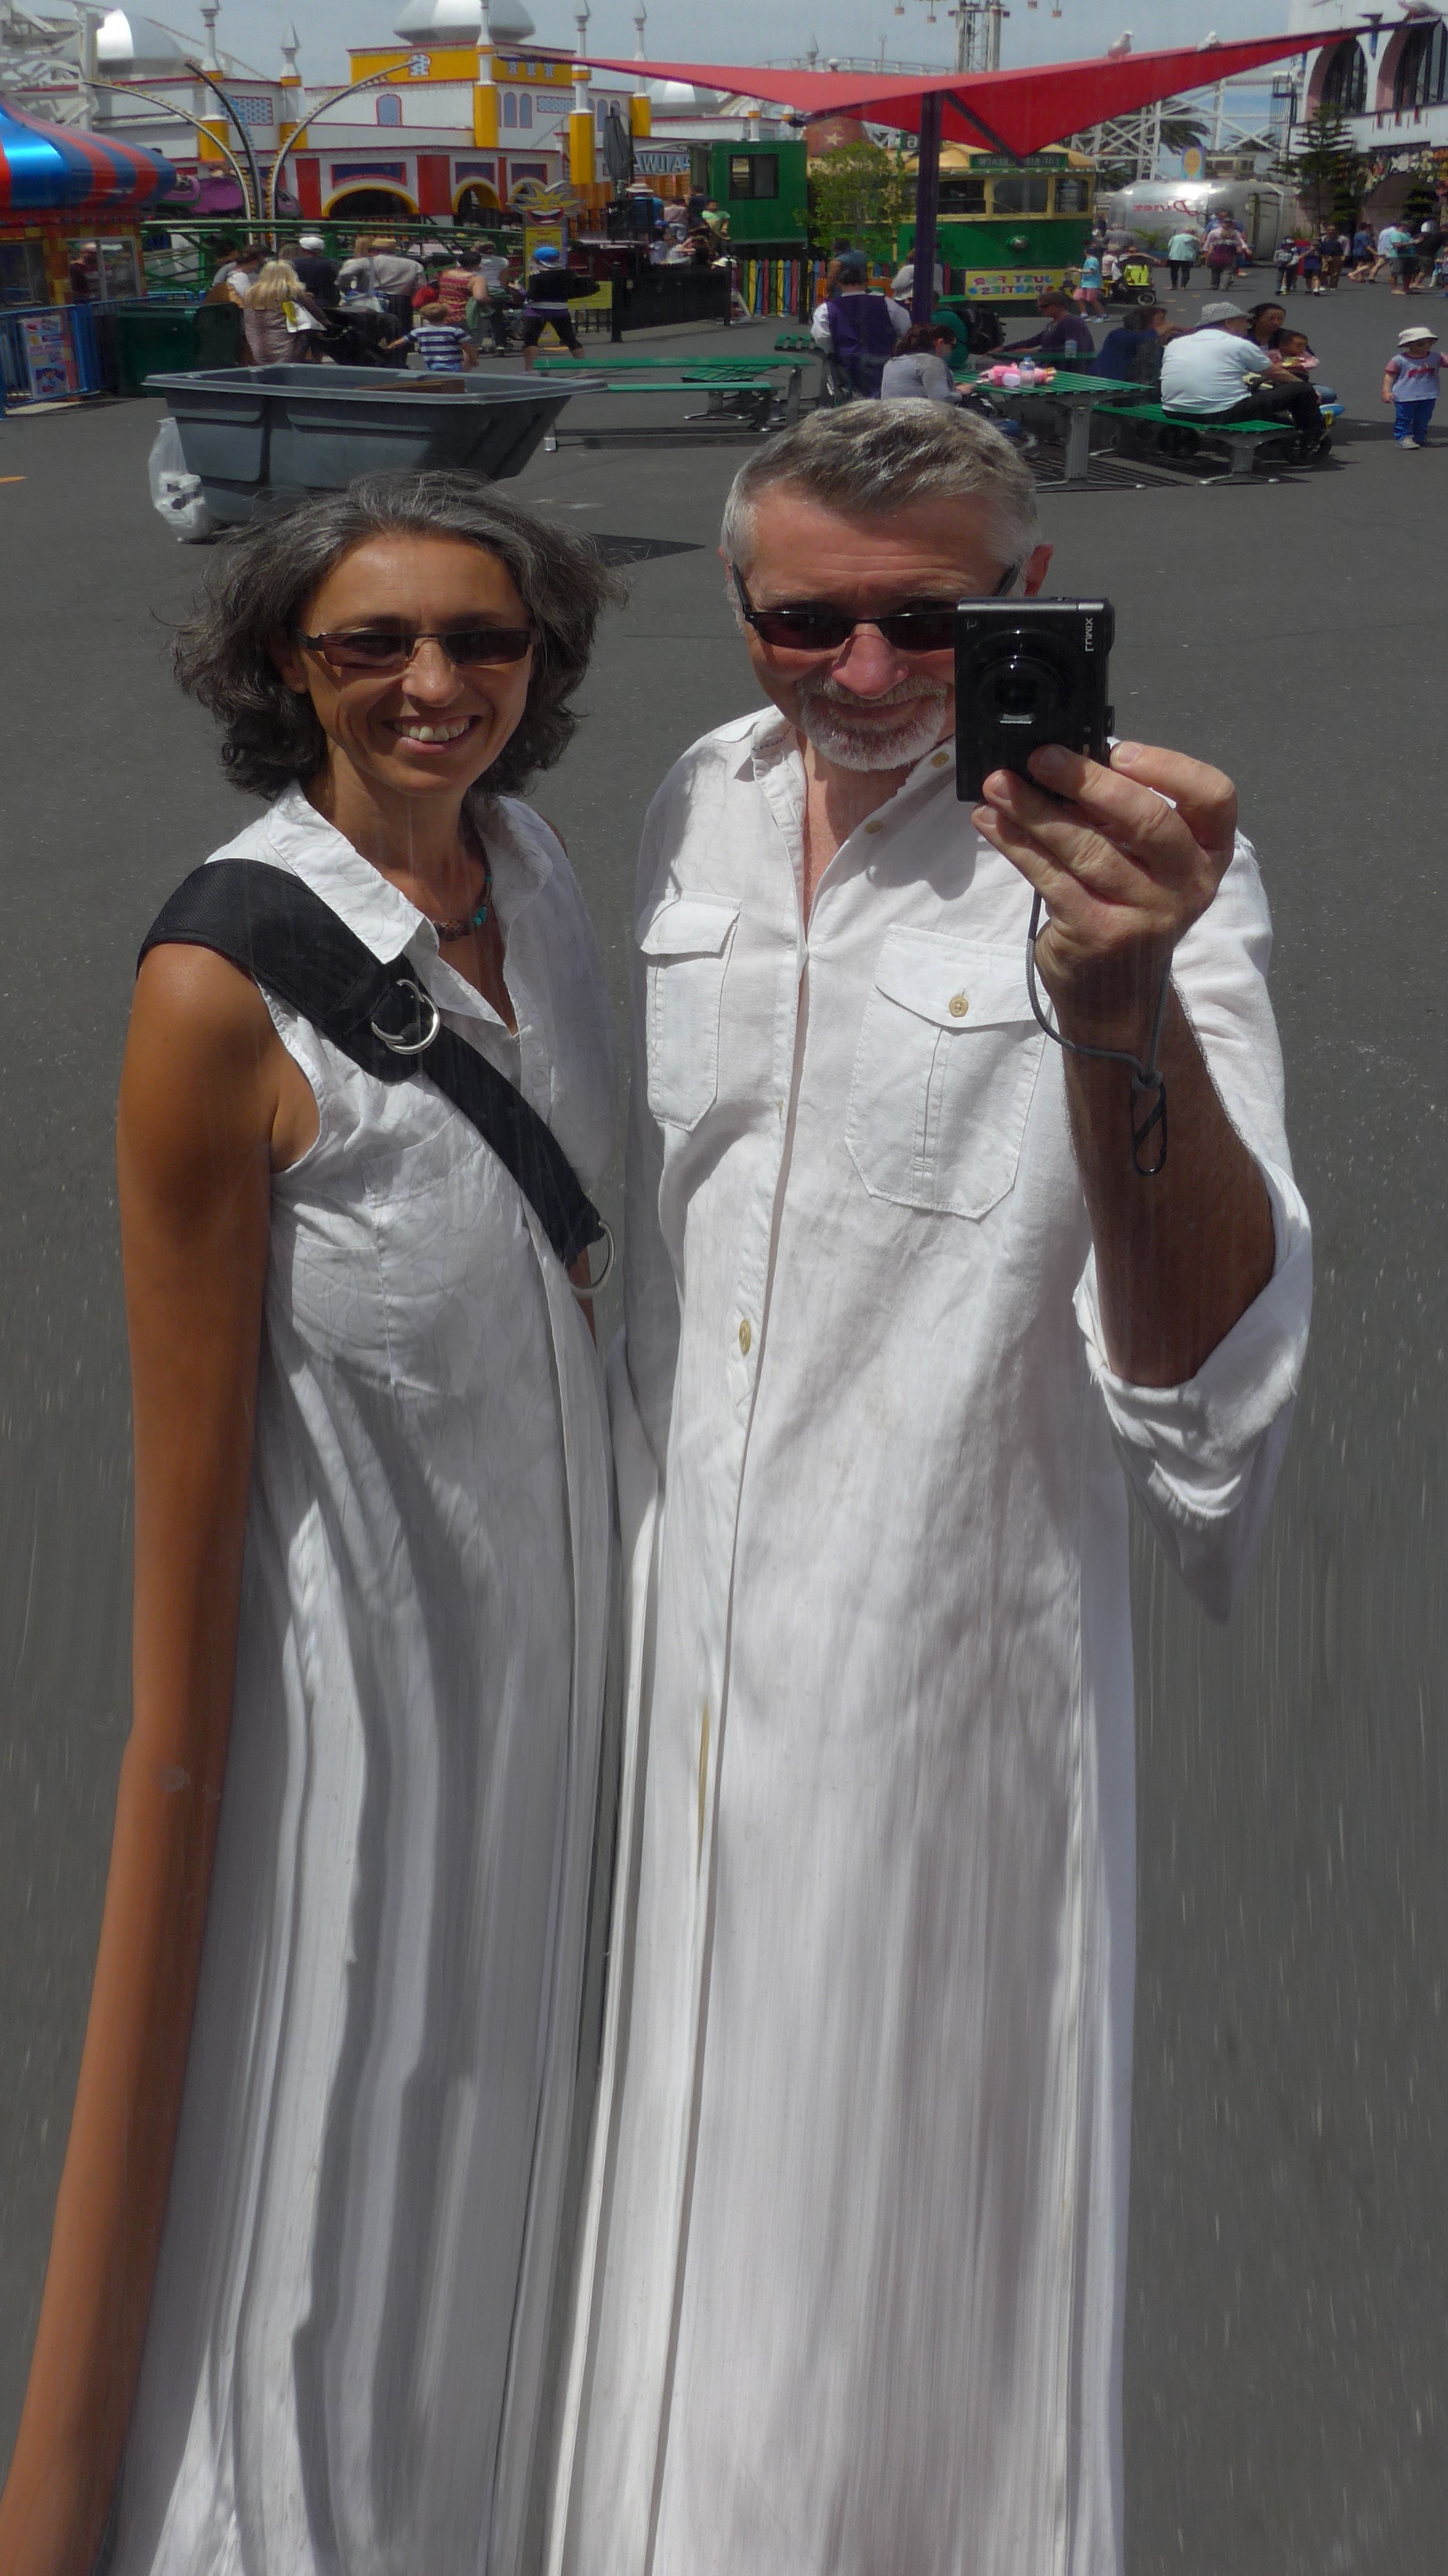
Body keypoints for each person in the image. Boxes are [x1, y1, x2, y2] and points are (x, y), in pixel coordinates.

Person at [548, 399, 1310, 2576]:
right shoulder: (700, 798)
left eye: (930, 621)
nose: (865, 673)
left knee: (925, 2275)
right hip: (682, 1643)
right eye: (808, 622)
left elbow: (1207, 1370)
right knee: (670, 2214)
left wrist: (1123, 1000)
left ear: (1029, 598)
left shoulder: (1144, 865)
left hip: (944, 1667)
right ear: (740, 609)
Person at [0, 470, 620, 2576]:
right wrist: (180, 1780)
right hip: (363, 1694)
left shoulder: (536, 871)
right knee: (347, 2161)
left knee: (533, 2130)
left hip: (574, 1652)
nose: (435, 683)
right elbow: (182, 1453)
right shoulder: (221, 982)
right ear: (289, 664)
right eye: (375, 643)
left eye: (482, 640)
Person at [1160, 299, 1329, 456]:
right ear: (1229, 322)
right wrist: (1310, 390)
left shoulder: (1178, 343)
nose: (1246, 326)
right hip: (1220, 413)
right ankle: (1310, 435)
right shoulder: (1238, 344)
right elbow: (1275, 373)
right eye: (1243, 321)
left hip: (1173, 410)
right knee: (1302, 389)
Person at [810, 252, 909, 397]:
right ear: (866, 283)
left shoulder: (827, 308)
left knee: (850, 397)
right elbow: (905, 328)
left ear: (839, 284)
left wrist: (835, 349)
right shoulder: (886, 304)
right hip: (882, 358)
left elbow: (822, 337)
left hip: (847, 361)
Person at [240, 258, 328, 365]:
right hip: (287, 351)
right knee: (315, 333)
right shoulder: (290, 291)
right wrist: (326, 321)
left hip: (258, 350)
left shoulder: (250, 293)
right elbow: (314, 312)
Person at [520, 242, 593, 369]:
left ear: (539, 260)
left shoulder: (536, 276)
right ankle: (583, 369)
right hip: (560, 310)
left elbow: (532, 296)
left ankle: (530, 370)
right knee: (570, 339)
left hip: (537, 311)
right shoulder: (568, 274)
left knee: (531, 341)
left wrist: (519, 290)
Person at [1382, 320, 1447, 445]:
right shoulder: (1400, 360)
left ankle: (1419, 437)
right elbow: (1389, 375)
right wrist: (1386, 391)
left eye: (1430, 342)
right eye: (1421, 344)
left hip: (1428, 394)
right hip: (1405, 395)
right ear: (1409, 345)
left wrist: (1445, 358)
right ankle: (1403, 437)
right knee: (1404, 417)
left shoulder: (1436, 357)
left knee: (1423, 418)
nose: (1427, 346)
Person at [1004, 285, 1094, 365]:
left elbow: (1078, 348)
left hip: (1070, 369)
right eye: (1038, 307)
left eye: (1044, 306)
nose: (1040, 310)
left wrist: (1035, 351)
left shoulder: (1072, 322)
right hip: (1053, 366)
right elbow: (1033, 341)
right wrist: (1005, 349)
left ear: (1059, 306)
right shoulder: (1053, 324)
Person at [880, 321, 962, 402]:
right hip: (917, 410)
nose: (951, 352)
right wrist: (959, 394)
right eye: (953, 346)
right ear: (940, 343)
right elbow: (942, 399)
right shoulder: (931, 362)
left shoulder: (891, 363)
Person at [1094, 301, 1167, 385]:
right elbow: (1140, 338)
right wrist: (1161, 331)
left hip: (1131, 381)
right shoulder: (1119, 335)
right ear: (1147, 322)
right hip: (1109, 382)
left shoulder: (1151, 338)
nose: (1165, 323)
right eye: (1161, 319)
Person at [405, 294, 476, 372]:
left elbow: (403, 341)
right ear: (446, 315)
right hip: (453, 365)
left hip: (432, 365)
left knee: (434, 378)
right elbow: (467, 348)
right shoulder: (455, 331)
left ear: (425, 317)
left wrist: (393, 345)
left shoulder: (419, 332)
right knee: (454, 379)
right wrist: (473, 359)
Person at [292, 231, 338, 307]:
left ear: (303, 250)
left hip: (302, 303)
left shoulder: (294, 264)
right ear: (322, 250)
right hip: (328, 303)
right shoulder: (333, 264)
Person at [1166, 224, 1199, 289]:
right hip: (1187, 257)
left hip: (1174, 256)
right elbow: (1197, 248)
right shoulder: (1194, 239)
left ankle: (1174, 285)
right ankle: (1183, 286)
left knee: (1174, 271)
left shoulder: (1175, 237)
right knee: (1186, 271)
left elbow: (1169, 246)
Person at [1074, 242, 1103, 313]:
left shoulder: (1092, 260)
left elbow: (1091, 271)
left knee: (1092, 299)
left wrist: (1078, 270)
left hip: (1092, 283)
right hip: (1084, 283)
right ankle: (1084, 314)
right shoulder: (1088, 260)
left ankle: (1102, 314)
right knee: (1077, 297)